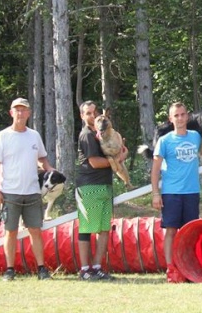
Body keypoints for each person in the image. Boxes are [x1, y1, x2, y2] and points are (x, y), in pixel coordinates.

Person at [0, 97, 55, 281]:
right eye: (16, 110)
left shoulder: (34, 135)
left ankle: (42, 269)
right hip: (10, 192)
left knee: (35, 230)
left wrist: (50, 170)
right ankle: (9, 269)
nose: (20, 113)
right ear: (11, 113)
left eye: (23, 110)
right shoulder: (2, 137)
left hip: (33, 191)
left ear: (29, 113)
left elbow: (42, 158)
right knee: (10, 231)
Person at [76, 101, 127, 281]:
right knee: (86, 228)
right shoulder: (86, 135)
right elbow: (95, 163)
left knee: (104, 229)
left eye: (93, 112)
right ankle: (84, 270)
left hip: (105, 185)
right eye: (87, 113)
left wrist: (119, 152)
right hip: (89, 185)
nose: (91, 116)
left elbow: (111, 153)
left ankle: (97, 267)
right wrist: (118, 159)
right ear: (82, 116)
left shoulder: (101, 133)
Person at [150, 102, 202, 272]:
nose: (180, 118)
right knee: (171, 231)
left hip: (192, 192)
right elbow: (155, 169)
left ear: (187, 116)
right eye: (176, 115)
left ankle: (189, 266)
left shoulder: (195, 136)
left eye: (182, 114)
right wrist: (156, 194)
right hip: (171, 192)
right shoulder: (165, 141)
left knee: (190, 232)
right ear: (171, 119)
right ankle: (171, 267)